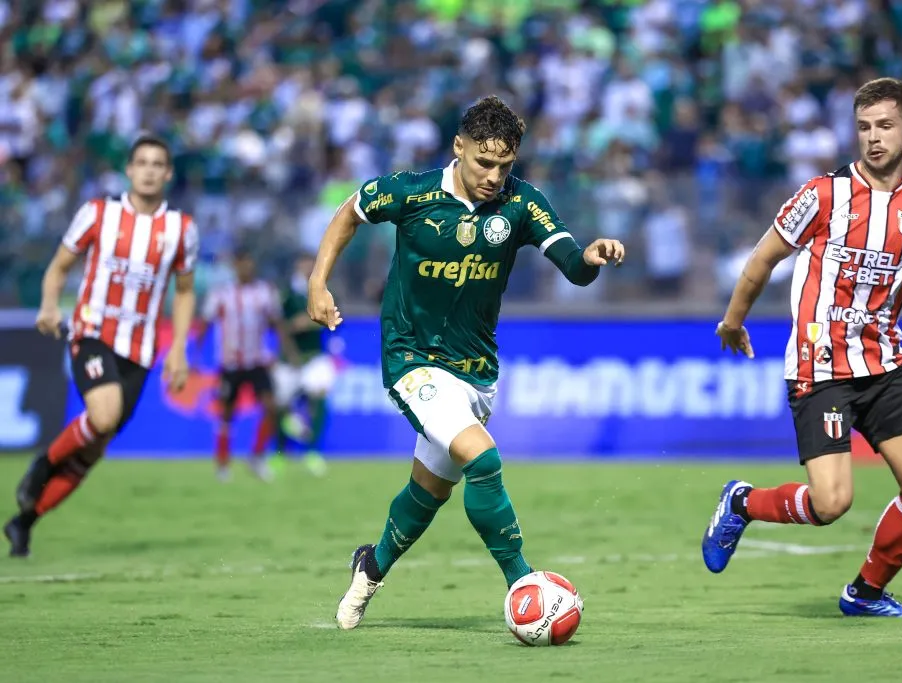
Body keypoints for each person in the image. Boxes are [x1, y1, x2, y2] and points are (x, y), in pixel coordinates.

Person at [306, 95, 625, 629]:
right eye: (484, 162)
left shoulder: (523, 204)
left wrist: (591, 259)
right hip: (411, 359)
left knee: (426, 494)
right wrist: (317, 282)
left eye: (505, 165)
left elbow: (571, 262)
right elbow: (350, 212)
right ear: (459, 147)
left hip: (476, 371)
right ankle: (525, 584)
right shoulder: (411, 193)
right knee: (483, 460)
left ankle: (371, 565)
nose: (494, 176)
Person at [702, 78, 902, 617]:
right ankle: (742, 502)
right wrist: (733, 320)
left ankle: (865, 594)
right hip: (819, 368)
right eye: (865, 127)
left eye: (886, 126)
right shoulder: (822, 195)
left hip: (885, 365)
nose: (874, 138)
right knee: (831, 504)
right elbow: (762, 258)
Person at [5, 134, 199, 557]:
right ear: (129, 170)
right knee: (104, 414)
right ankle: (41, 467)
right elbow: (58, 267)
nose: (148, 170)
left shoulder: (180, 230)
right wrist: (49, 306)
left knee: (93, 450)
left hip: (141, 348)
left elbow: (184, 291)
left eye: (157, 164)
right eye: (141, 162)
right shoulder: (97, 213)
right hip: (93, 332)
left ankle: (24, 521)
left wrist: (179, 348)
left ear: (167, 173)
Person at [196, 248, 297, 482]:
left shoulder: (265, 292)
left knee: (271, 407)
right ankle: (222, 463)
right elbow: (205, 323)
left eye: (250, 263)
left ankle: (257, 457)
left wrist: (289, 351)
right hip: (230, 363)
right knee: (226, 413)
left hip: (257, 361)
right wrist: (195, 357)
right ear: (235, 266)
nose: (247, 268)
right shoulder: (221, 294)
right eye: (242, 263)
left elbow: (277, 323)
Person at [269, 253, 333, 477]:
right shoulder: (286, 294)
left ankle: (313, 452)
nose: (308, 268)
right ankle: (279, 454)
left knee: (320, 395)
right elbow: (276, 325)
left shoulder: (323, 291)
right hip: (289, 360)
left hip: (315, 357)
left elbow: (335, 318)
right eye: (305, 264)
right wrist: (291, 331)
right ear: (297, 266)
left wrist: (312, 321)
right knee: (280, 406)